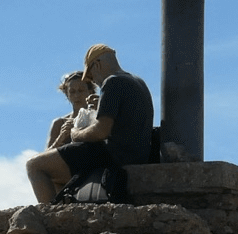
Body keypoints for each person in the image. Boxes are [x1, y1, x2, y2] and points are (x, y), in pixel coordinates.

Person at [25, 44, 154, 203]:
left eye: (91, 76)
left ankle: (48, 220)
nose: (95, 81)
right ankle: (61, 210)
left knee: (35, 165)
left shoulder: (112, 82)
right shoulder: (138, 81)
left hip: (114, 155)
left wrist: (75, 133)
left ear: (97, 65)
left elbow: (101, 131)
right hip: (137, 153)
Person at [45, 70, 97, 150]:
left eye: (81, 90)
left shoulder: (100, 117)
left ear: (90, 91)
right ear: (67, 94)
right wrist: (61, 138)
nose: (77, 95)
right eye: (72, 92)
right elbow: (44, 159)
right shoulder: (59, 124)